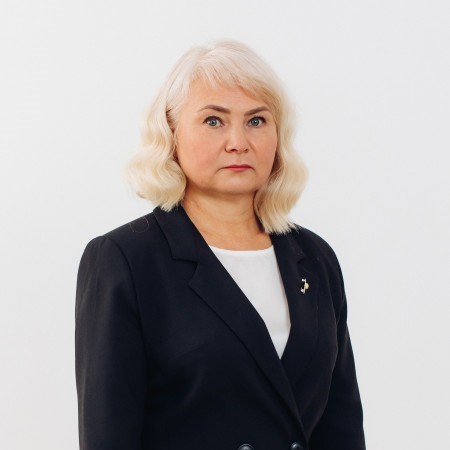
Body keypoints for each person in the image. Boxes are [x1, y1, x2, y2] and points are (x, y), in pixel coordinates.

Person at [75, 40, 366, 450]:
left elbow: (341, 425)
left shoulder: (314, 258)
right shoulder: (126, 259)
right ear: (171, 132)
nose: (238, 142)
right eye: (214, 121)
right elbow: (109, 435)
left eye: (256, 120)